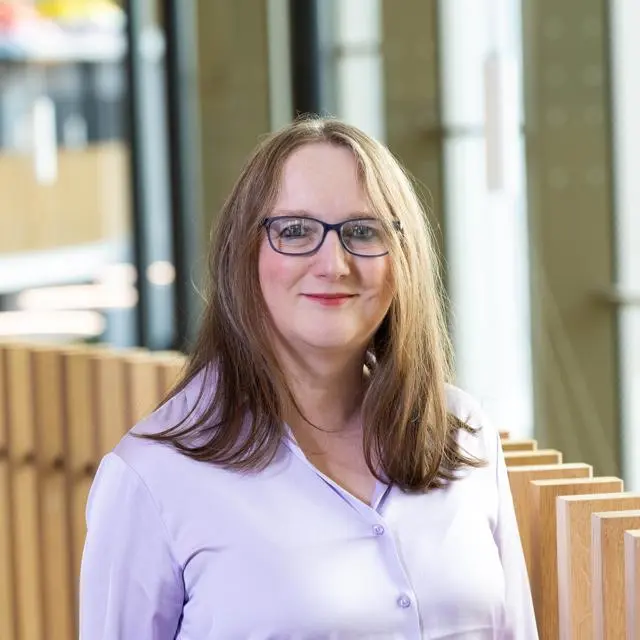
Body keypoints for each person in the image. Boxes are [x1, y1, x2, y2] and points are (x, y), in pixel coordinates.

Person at [79, 117, 538, 639]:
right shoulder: (153, 478)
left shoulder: (461, 430)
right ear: (243, 253)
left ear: (402, 259)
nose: (334, 263)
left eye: (364, 231)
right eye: (295, 231)